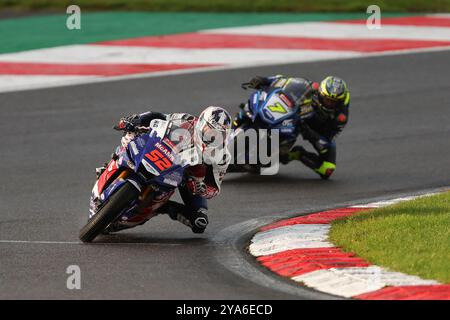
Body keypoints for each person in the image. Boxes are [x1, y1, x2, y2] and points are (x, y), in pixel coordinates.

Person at [98, 106, 232, 233]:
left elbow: (214, 188)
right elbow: (159, 116)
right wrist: (137, 119)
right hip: (164, 154)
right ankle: (114, 163)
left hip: (186, 177)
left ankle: (163, 207)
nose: (213, 137)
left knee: (199, 222)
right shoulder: (186, 120)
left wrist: (202, 188)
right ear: (202, 124)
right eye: (210, 131)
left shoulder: (222, 156)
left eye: (220, 135)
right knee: (132, 135)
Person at [233, 75, 350, 179]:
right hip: (299, 117)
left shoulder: (339, 118)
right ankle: (234, 125)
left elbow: (327, 141)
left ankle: (294, 154)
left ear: (339, 102)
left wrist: (309, 132)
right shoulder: (311, 87)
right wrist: (263, 80)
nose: (329, 103)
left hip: (316, 130)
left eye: (333, 102)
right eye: (327, 99)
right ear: (320, 93)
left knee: (327, 169)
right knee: (256, 107)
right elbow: (283, 80)